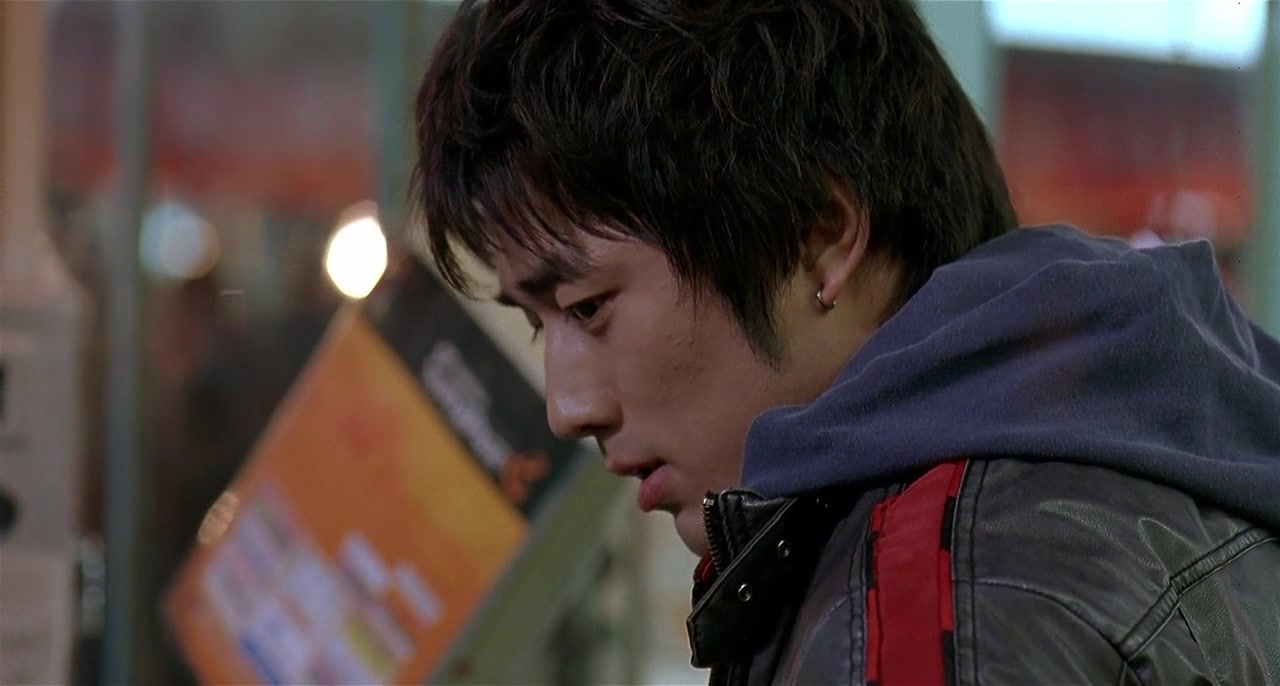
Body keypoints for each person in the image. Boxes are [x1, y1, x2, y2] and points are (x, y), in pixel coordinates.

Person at [411, 1, 1280, 683]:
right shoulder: (1152, 461)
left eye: (588, 306)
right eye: (540, 322)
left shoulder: (935, 610)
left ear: (820, 240)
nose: (568, 407)